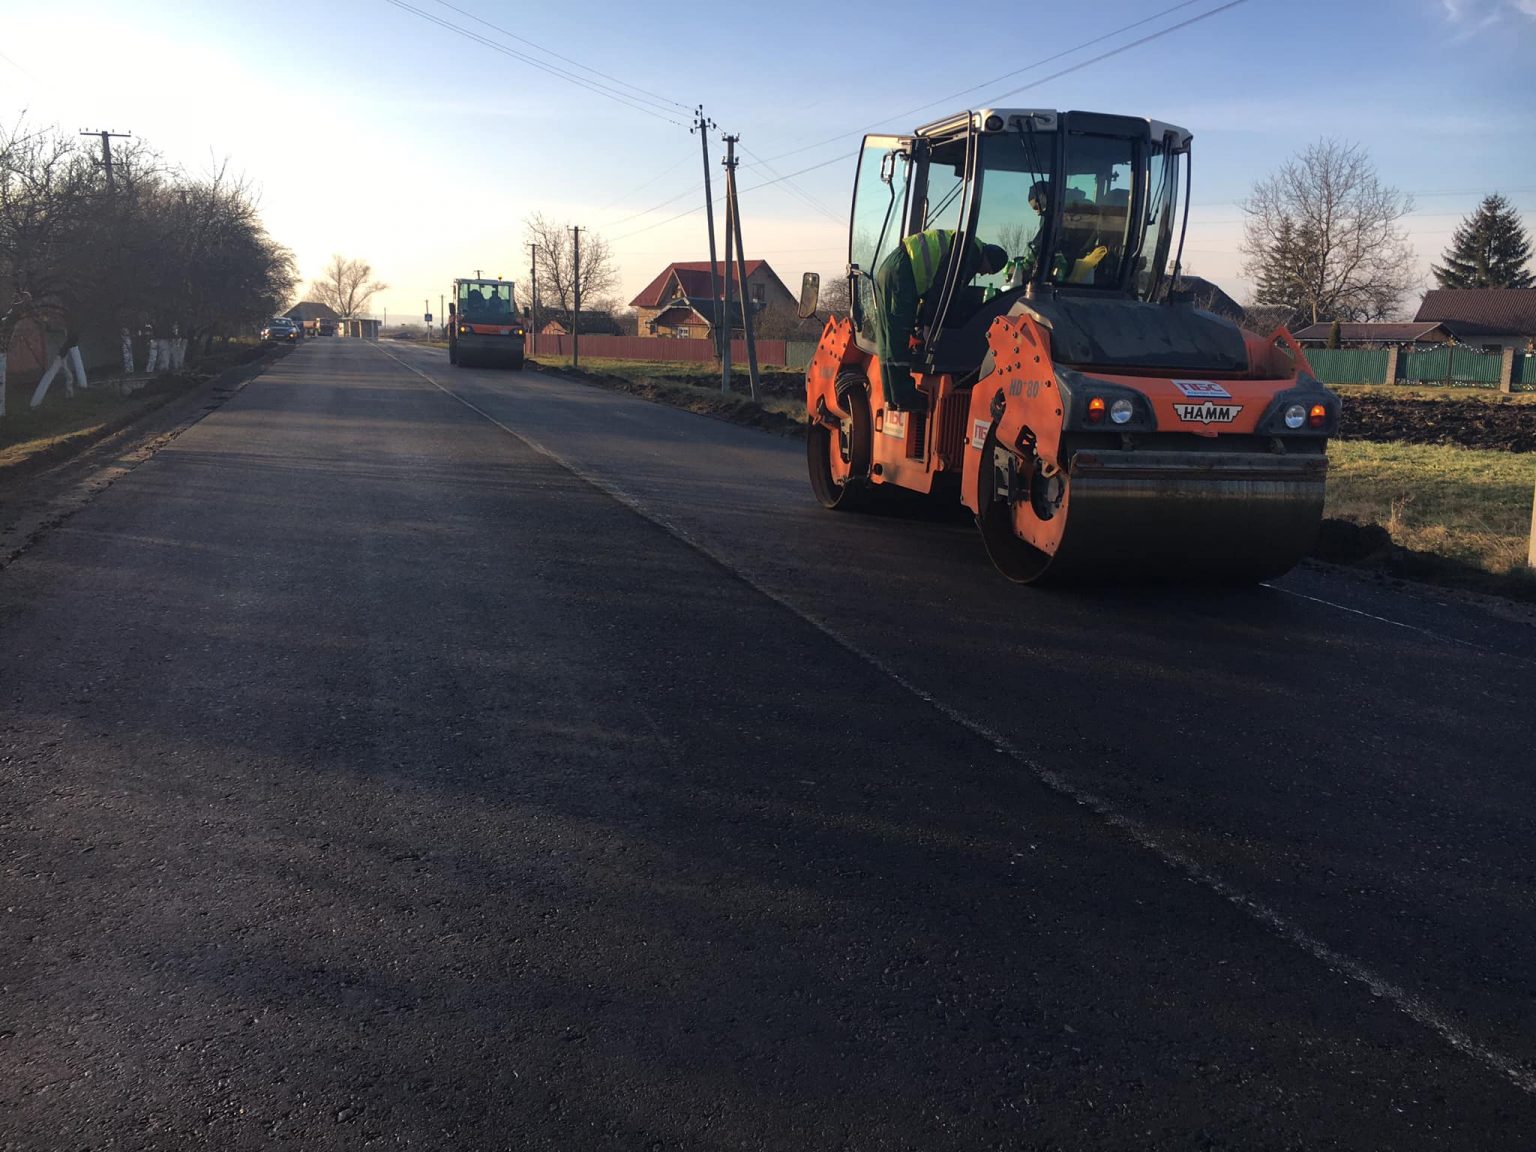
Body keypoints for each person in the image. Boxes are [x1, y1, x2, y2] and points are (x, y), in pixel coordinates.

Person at [875, 229, 1007, 408]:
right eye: (988, 271)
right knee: (899, 334)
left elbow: (933, 292)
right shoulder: (970, 255)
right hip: (903, 271)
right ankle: (904, 397)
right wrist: (929, 331)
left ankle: (892, 397)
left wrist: (921, 323)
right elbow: (942, 295)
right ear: (987, 259)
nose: (983, 274)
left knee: (889, 335)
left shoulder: (967, 244)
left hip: (893, 265)